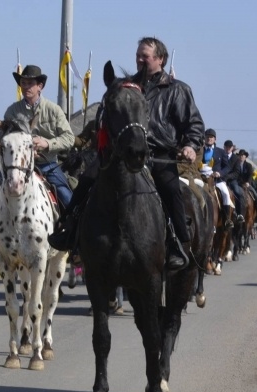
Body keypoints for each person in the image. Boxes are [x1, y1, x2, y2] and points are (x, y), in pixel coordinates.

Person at [50, 37, 204, 272]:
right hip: (122, 155)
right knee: (88, 179)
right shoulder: (126, 87)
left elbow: (193, 124)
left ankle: (177, 244)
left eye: (146, 56)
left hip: (158, 155)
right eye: (138, 55)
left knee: (170, 187)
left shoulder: (178, 90)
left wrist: (191, 145)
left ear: (160, 59)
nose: (140, 60)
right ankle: (70, 232)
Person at [3, 65, 75, 208]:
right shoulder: (12, 112)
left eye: (30, 83)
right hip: (17, 167)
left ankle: (72, 228)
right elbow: (5, 140)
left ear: (39, 86)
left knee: (69, 201)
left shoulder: (54, 110)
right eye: (23, 83)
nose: (26, 87)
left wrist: (47, 143)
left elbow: (69, 138)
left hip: (48, 165)